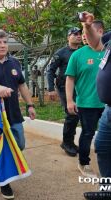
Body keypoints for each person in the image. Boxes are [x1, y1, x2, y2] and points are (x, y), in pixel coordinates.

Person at [0, 29, 36, 200]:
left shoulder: (14, 62)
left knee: (20, 144)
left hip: (14, 113)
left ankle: (10, 169)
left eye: (5, 42)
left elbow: (22, 85)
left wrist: (30, 105)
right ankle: (4, 183)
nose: (3, 45)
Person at [65, 21, 105, 178]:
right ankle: (84, 162)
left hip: (107, 104)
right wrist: (69, 100)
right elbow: (70, 79)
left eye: (88, 31)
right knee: (88, 133)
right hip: (87, 103)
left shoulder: (108, 51)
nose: (84, 35)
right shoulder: (78, 55)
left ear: (100, 32)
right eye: (83, 32)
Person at [82, 12, 111, 180]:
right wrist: (87, 26)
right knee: (102, 147)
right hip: (108, 110)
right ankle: (107, 189)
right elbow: (95, 44)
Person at [47, 27, 82, 157]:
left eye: (80, 34)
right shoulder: (61, 53)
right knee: (71, 114)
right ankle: (67, 143)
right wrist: (50, 89)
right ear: (68, 37)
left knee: (77, 115)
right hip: (63, 87)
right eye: (75, 34)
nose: (78, 36)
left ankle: (70, 142)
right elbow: (50, 70)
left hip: (80, 88)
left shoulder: (83, 51)